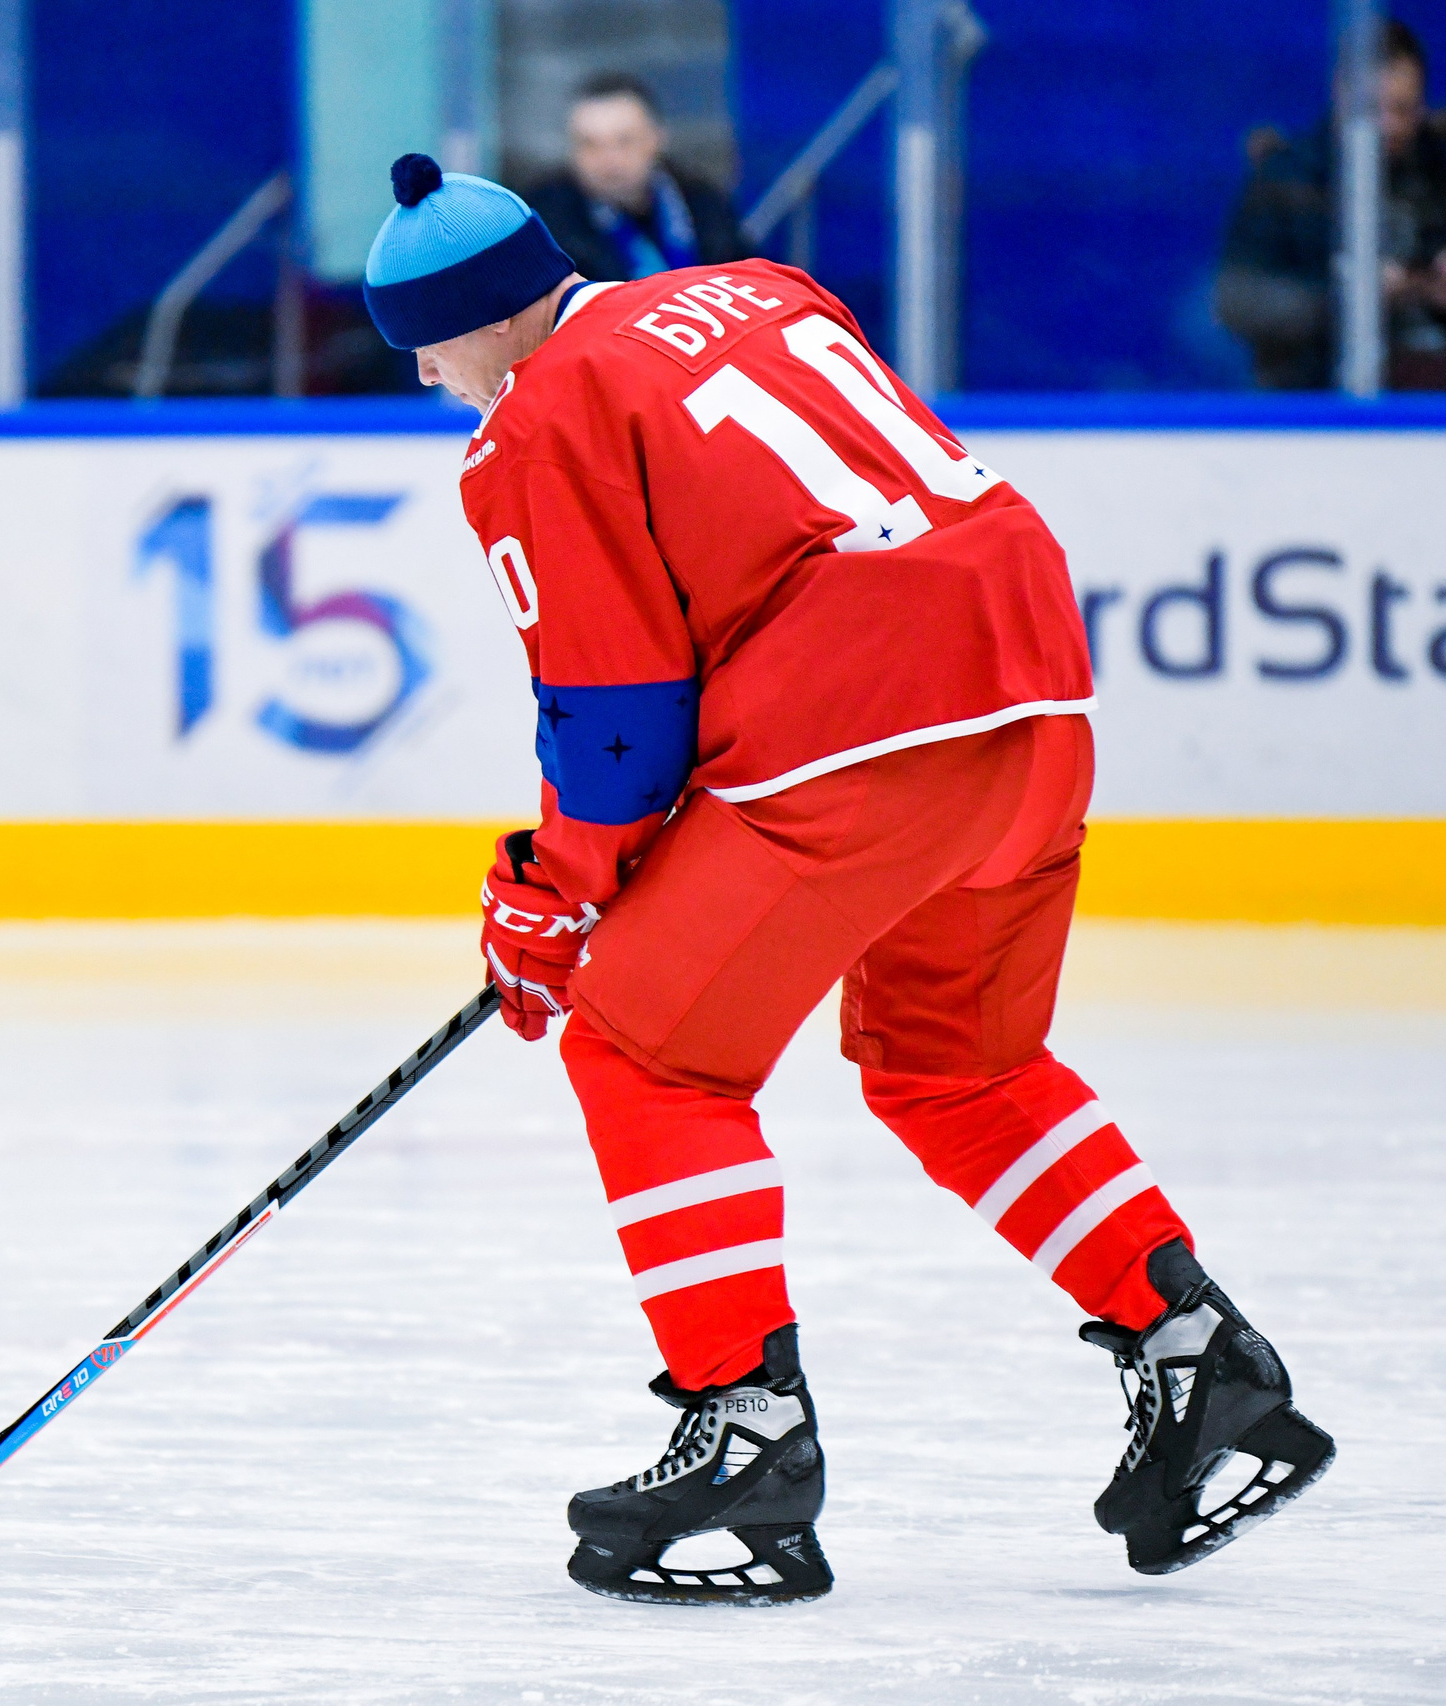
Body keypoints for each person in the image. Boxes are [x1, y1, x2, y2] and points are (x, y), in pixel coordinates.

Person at [362, 153, 1336, 1605]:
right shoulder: (753, 286)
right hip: (1033, 699)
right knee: (956, 1063)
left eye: (427, 346)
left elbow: (621, 722)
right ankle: (1190, 1347)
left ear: (485, 317)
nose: (432, 379)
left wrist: (555, 891)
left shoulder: (536, 421)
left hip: (863, 731)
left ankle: (745, 1422)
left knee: (643, 1049)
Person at [1217, 19, 1446, 390]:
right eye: (1374, 110)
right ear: (1341, 93)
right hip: (1319, 395)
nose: (1389, 126)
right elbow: (1238, 301)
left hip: (1445, 395)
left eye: (1403, 110)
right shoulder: (1286, 181)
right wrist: (1346, 301)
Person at [523, 73, 749, 283]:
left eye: (624, 141)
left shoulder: (702, 199)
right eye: (590, 145)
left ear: (657, 138)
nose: (609, 160)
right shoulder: (542, 224)